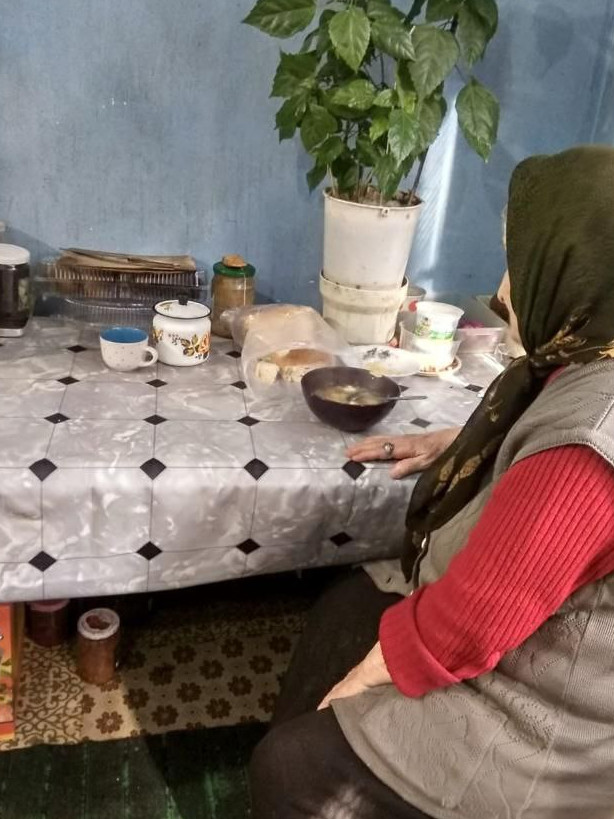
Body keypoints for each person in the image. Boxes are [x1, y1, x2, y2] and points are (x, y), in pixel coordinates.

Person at [249, 145, 614, 819]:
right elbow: (542, 448)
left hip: (541, 721)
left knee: (293, 772)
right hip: (530, 644)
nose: (504, 290)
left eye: (519, 261)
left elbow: (476, 620)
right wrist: (456, 442)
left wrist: (364, 677)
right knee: (345, 609)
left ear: (579, 266)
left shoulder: (591, 438)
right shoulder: (589, 361)